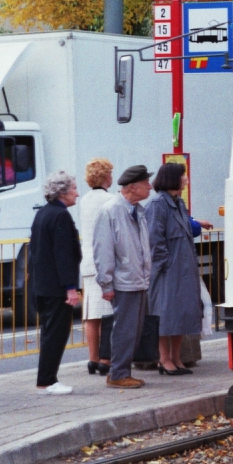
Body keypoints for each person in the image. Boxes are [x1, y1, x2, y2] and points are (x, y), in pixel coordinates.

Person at [93, 165, 153, 390]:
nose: (150, 187)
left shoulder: (137, 210)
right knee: (125, 330)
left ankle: (122, 371)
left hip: (136, 279)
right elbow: (104, 250)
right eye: (146, 183)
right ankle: (118, 373)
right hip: (124, 281)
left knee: (134, 330)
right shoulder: (112, 210)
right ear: (132, 187)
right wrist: (106, 283)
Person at [145, 163, 204, 375]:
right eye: (183, 176)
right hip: (169, 271)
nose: (186, 179)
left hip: (184, 268)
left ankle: (177, 357)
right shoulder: (157, 204)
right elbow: (154, 239)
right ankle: (164, 359)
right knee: (165, 315)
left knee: (182, 314)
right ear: (173, 178)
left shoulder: (178, 203)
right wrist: (165, 264)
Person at [29, 171, 82, 395]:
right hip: (57, 286)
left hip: (42, 284)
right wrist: (71, 287)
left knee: (50, 332)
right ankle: (47, 381)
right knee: (56, 333)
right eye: (74, 189)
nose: (77, 194)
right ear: (62, 192)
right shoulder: (60, 216)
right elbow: (63, 254)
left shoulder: (42, 213)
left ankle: (47, 379)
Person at [79, 158, 115, 375]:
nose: (112, 177)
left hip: (88, 261)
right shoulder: (110, 199)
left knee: (91, 314)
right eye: (110, 173)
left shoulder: (84, 200)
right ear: (105, 177)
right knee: (108, 316)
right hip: (104, 261)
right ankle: (105, 359)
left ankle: (92, 359)